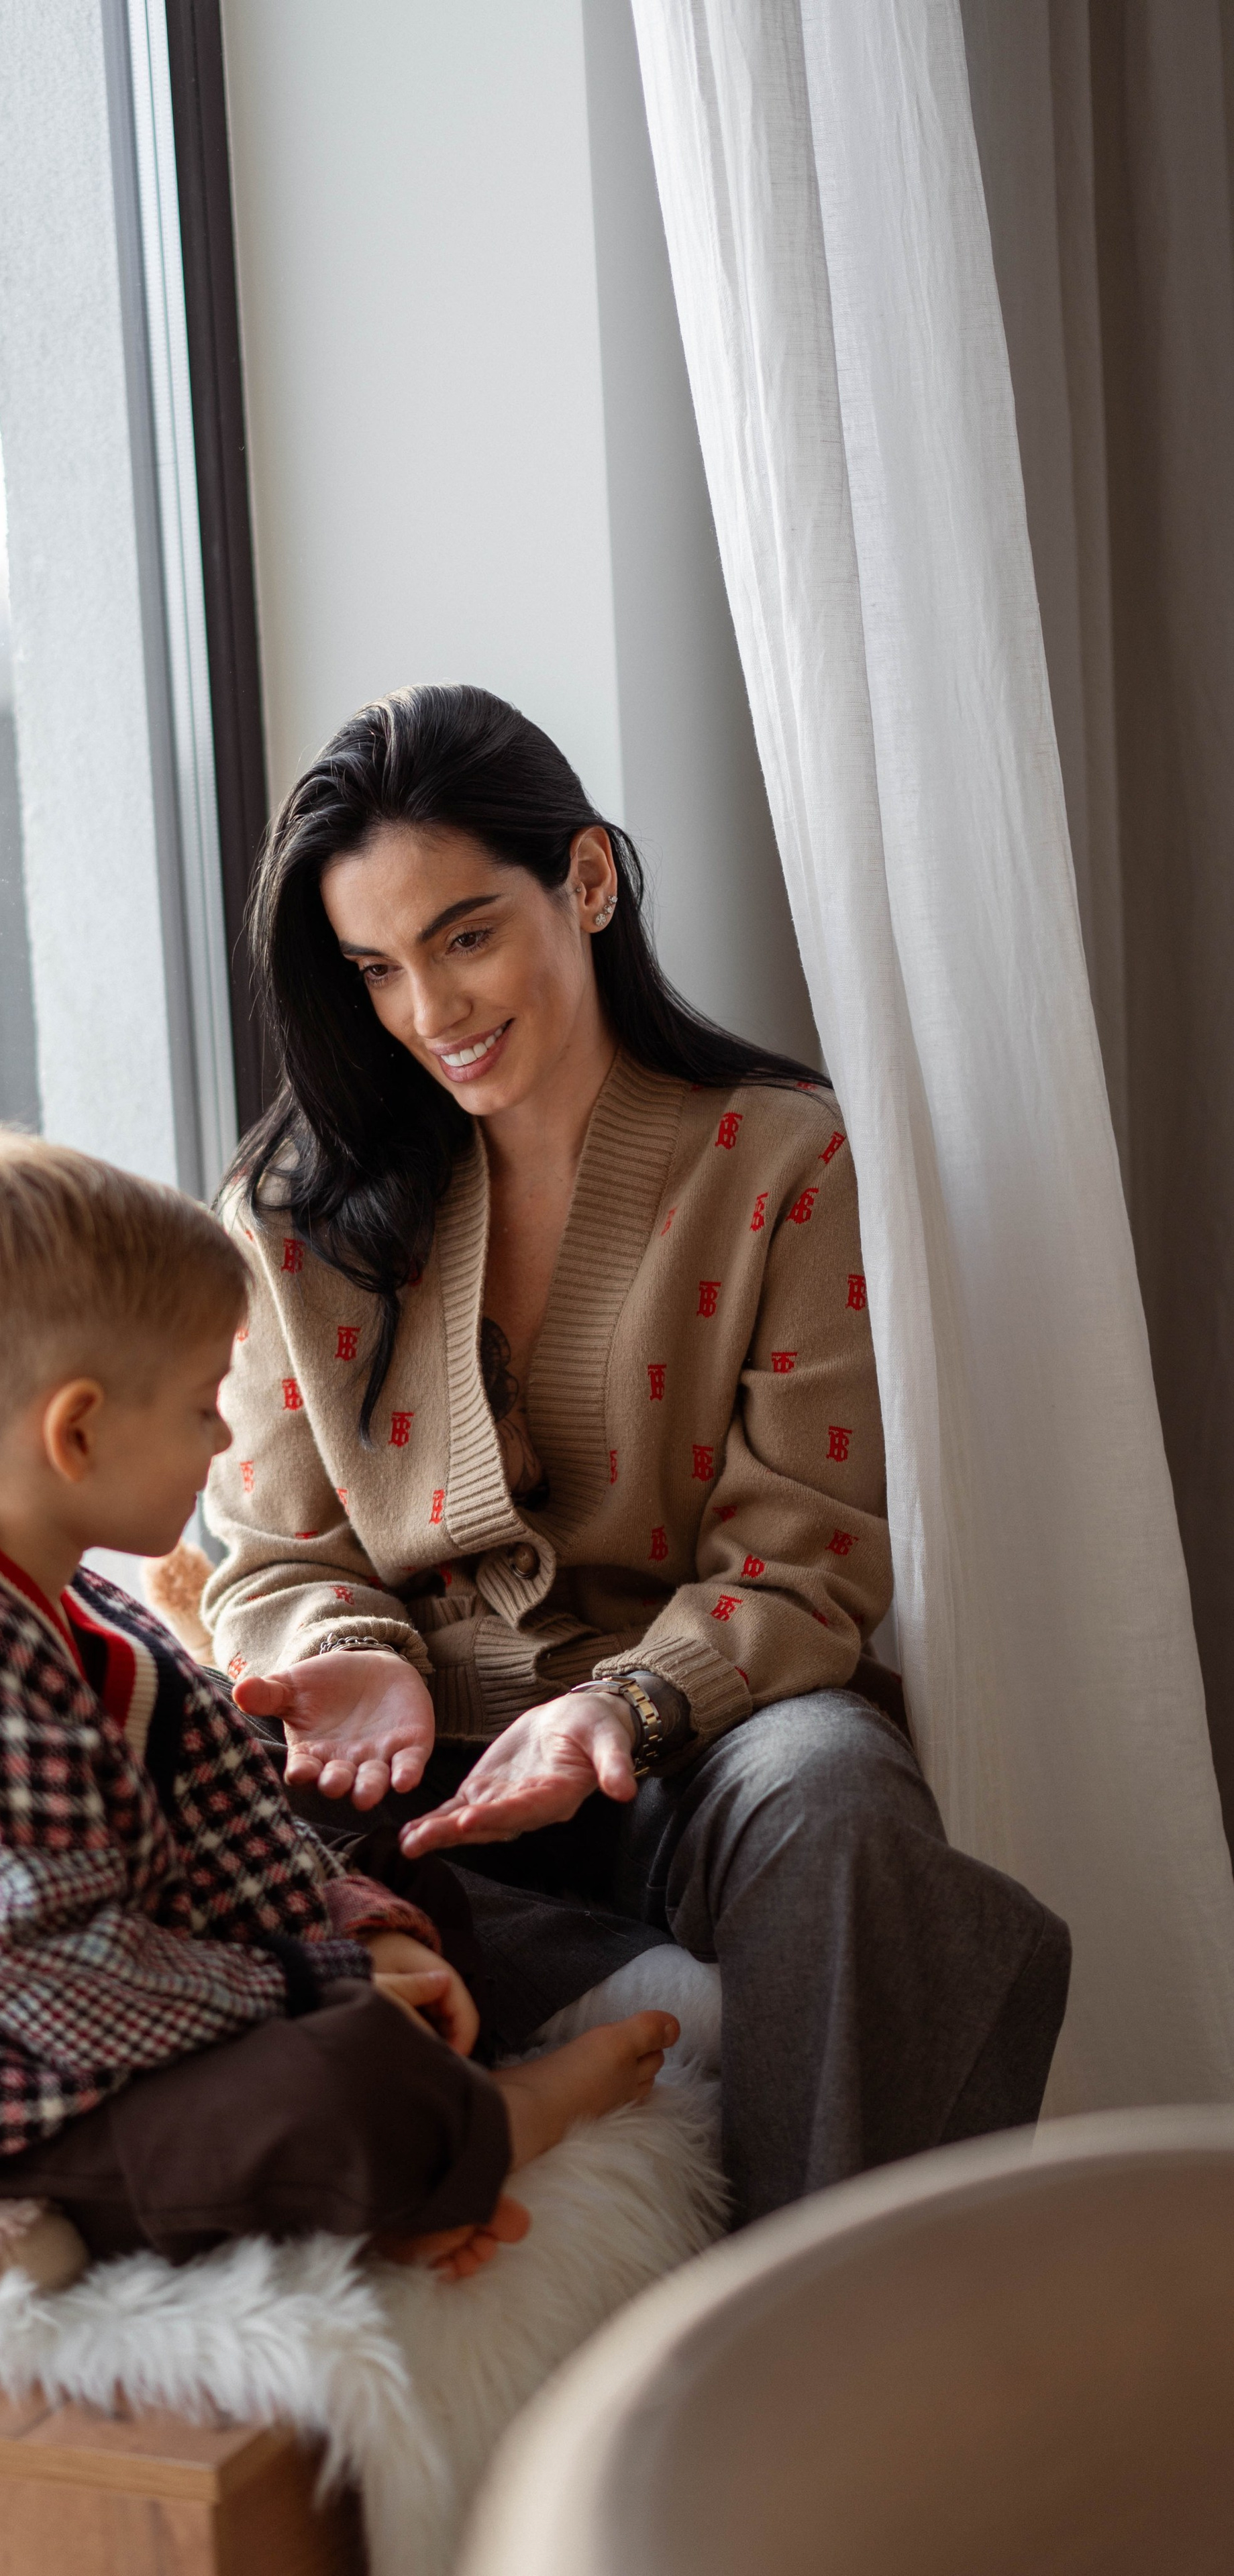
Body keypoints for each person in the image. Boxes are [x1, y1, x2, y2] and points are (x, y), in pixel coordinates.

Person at [203, 683, 1072, 2226]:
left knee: (844, 1811)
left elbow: (800, 1556)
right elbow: (270, 1555)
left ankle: (805, 2314)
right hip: (406, 1774)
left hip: (685, 1747)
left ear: (586, 883)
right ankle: (629, 2000)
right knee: (193, 1835)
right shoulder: (286, 1215)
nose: (430, 1014)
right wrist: (352, 1654)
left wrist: (617, 1707)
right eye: (377, 970)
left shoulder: (779, 1159)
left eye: (465, 937)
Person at [0, 1128, 674, 2285]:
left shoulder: (73, 1603)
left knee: (396, 1885)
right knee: (320, 2092)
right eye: (198, 1409)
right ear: (77, 1433)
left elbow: (221, 1830)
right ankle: (483, 2128)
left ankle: (431, 2128)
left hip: (92, 1987)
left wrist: (351, 1931)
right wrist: (318, 1985)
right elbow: (61, 1982)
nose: (223, 1440)